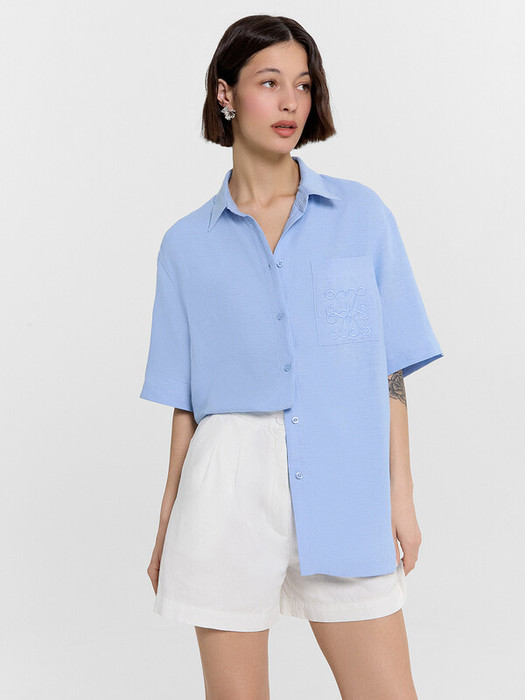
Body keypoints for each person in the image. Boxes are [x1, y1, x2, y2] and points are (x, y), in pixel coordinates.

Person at [140, 14, 443, 700]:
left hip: (344, 478)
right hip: (225, 483)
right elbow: (186, 403)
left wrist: (400, 493)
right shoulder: (185, 244)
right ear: (225, 94)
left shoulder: (360, 215)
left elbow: (389, 369)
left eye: (302, 85)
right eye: (269, 82)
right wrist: (166, 523)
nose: (289, 103)